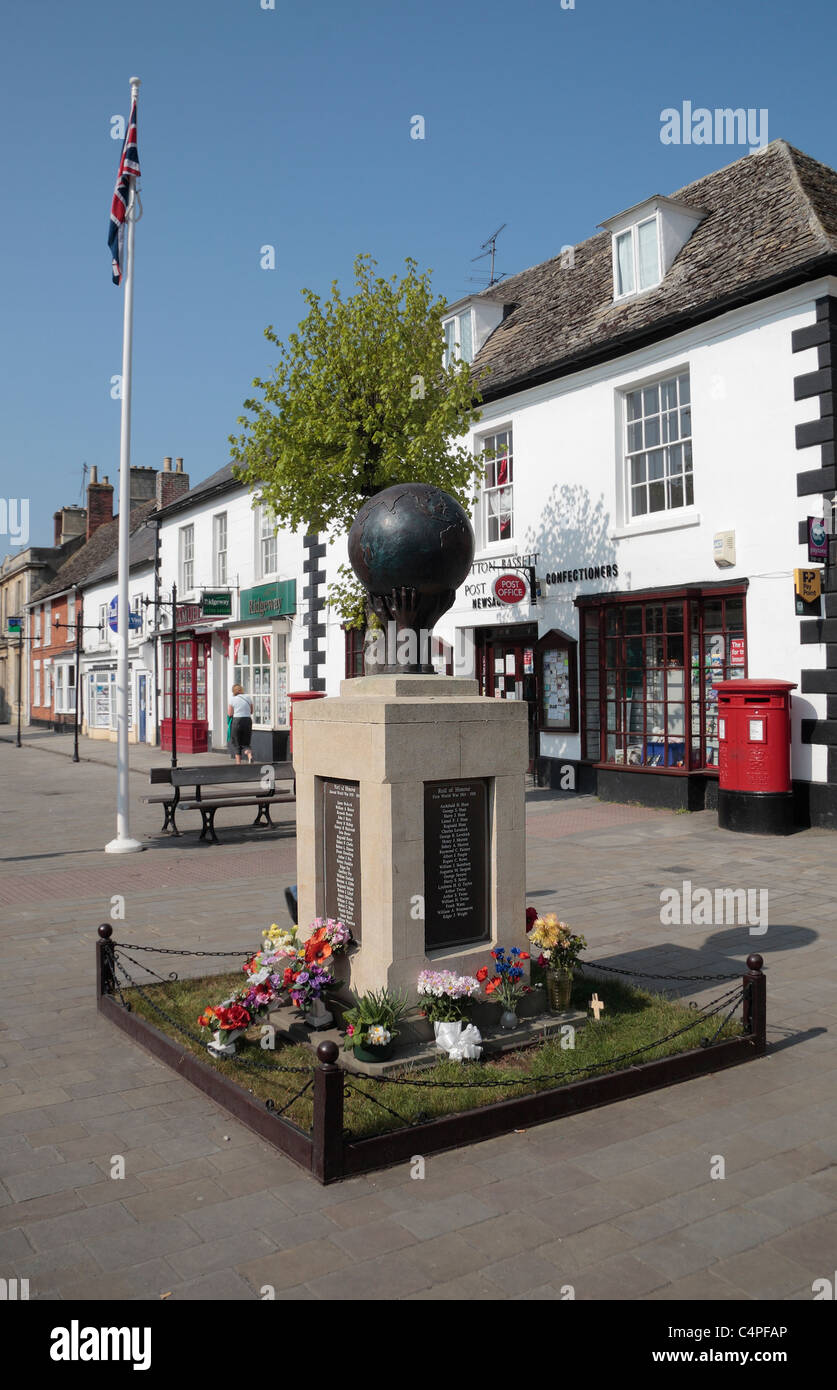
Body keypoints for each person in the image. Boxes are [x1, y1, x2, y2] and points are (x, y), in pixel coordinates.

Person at [228, 684, 254, 765]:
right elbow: (251, 711)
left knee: (236, 742)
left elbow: (230, 713)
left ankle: (238, 763)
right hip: (247, 720)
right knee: (246, 741)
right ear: (241, 689)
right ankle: (249, 756)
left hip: (237, 721)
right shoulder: (248, 697)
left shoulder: (232, 699)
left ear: (233, 691)